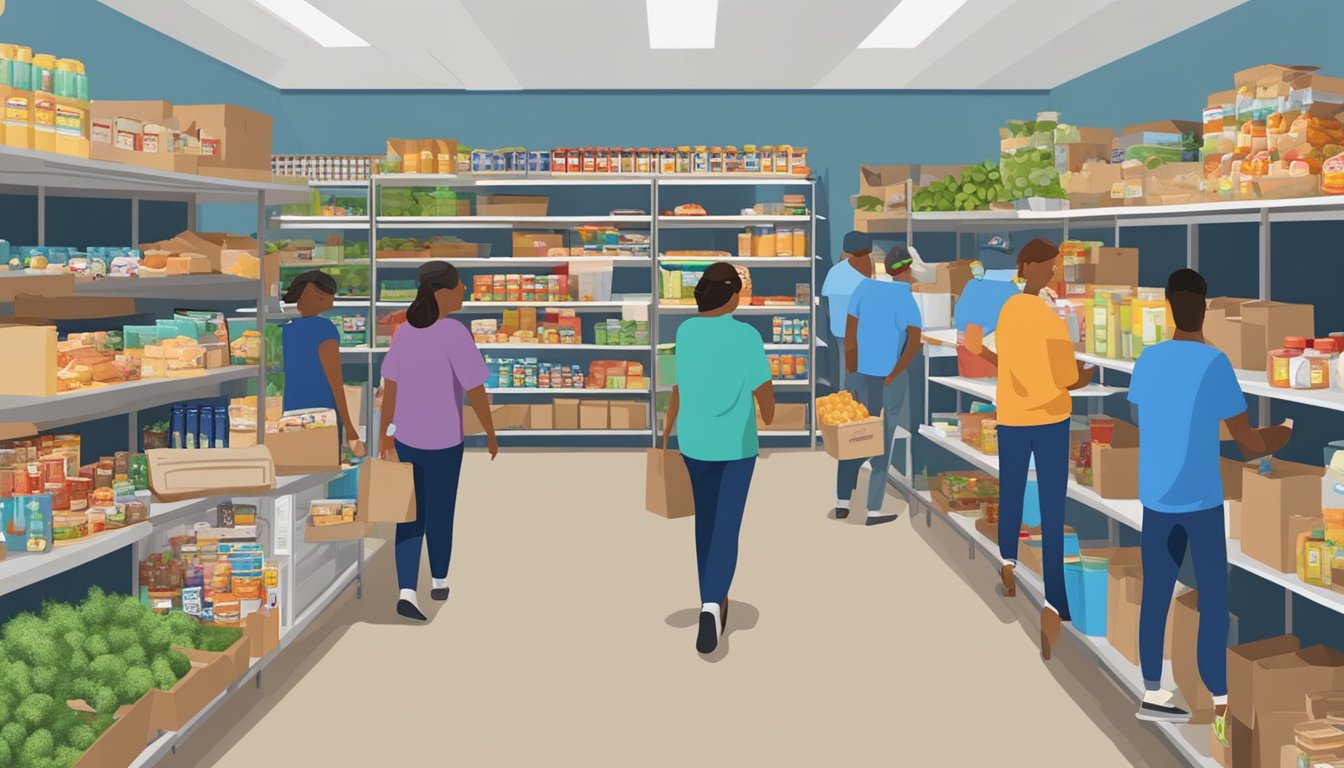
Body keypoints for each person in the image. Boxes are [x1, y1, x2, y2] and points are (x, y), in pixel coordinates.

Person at [1128, 268, 1291, 738]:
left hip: (1157, 499)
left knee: (1157, 594)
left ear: (1167, 306)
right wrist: (1283, 433)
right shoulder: (1214, 363)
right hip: (1200, 502)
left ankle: (1153, 693)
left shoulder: (1148, 360)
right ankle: (1220, 700)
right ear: (1207, 307)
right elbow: (1248, 444)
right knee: (1214, 599)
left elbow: (1162, 418)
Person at [966, 238, 1091, 660]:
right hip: (1051, 418)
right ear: (1030, 267)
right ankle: (1054, 600)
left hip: (1013, 416)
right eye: (1050, 267)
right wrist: (1085, 377)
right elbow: (1066, 377)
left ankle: (1007, 561)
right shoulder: (1049, 320)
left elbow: (988, 353)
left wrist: (998, 360)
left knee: (1013, 490)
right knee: (1053, 508)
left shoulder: (1008, 311)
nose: (1054, 273)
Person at [662, 262, 774, 655]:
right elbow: (764, 391)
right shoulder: (747, 336)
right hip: (736, 445)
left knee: (705, 523)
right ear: (729, 295)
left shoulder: (685, 332)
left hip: (693, 441)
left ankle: (710, 599)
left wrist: (665, 431)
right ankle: (712, 603)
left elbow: (677, 386)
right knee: (727, 525)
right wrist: (770, 414)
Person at [378, 261, 497, 623]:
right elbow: (475, 389)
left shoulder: (404, 333)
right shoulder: (453, 333)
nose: (464, 290)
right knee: (441, 511)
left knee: (409, 514)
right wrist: (490, 432)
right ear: (442, 291)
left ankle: (406, 591)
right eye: (459, 285)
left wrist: (386, 434)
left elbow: (390, 388)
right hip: (445, 439)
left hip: (409, 438)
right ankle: (440, 581)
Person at [833, 246, 922, 525]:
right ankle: (873, 510)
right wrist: (894, 374)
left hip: (860, 374)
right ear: (907, 271)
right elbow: (914, 344)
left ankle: (842, 502)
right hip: (889, 379)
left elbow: (849, 337)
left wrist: (852, 372)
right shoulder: (907, 299)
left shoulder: (862, 289)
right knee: (883, 440)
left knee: (854, 436)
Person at [280, 270, 364, 457]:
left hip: (292, 413)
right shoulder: (325, 329)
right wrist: (350, 429)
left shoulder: (287, 331)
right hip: (323, 415)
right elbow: (335, 381)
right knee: (324, 470)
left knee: (296, 465)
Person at [821, 231, 876, 388]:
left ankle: (844, 395)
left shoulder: (835, 271)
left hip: (839, 328)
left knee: (843, 364)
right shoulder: (863, 267)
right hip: (858, 328)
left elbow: (825, 295)